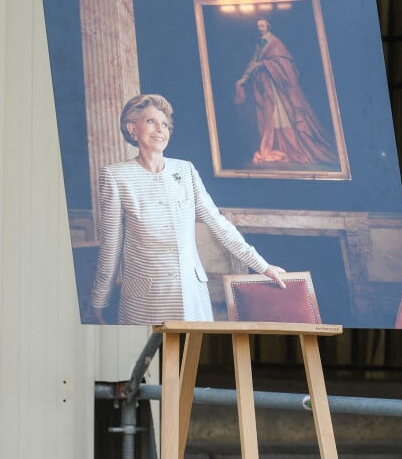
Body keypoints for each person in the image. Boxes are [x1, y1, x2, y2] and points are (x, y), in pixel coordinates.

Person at [91, 93, 286, 324]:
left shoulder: (186, 171)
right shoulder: (116, 176)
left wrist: (263, 266)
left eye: (165, 124)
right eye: (151, 121)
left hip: (192, 296)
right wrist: (99, 300)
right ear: (132, 129)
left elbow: (219, 223)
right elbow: (111, 244)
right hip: (145, 302)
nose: (160, 129)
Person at [235, 18, 338, 166]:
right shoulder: (260, 43)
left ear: (268, 27)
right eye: (258, 26)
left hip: (279, 85)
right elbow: (253, 62)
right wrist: (244, 78)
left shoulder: (275, 43)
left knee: (286, 112)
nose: (260, 28)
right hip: (267, 85)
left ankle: (294, 146)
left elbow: (284, 62)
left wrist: (264, 64)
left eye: (262, 25)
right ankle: (277, 145)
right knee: (272, 115)